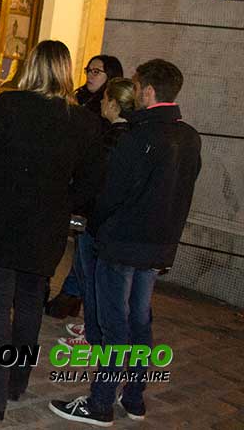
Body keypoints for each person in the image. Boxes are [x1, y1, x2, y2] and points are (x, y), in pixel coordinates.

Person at [0, 40, 102, 422]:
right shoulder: (83, 121)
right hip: (45, 225)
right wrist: (64, 204)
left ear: (33, 66)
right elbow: (90, 182)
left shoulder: (13, 104)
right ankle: (16, 382)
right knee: (30, 304)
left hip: (2, 219)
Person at [50, 59, 202, 427]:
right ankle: (133, 397)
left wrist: (97, 227)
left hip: (122, 245)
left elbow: (112, 193)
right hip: (157, 247)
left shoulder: (141, 136)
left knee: (113, 325)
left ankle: (100, 402)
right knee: (139, 322)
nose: (133, 93)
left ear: (148, 92)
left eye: (136, 87)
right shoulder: (188, 136)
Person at [56, 78, 135, 350]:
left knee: (91, 278)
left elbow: (98, 181)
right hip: (104, 221)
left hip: (96, 220)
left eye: (104, 99)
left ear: (113, 104)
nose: (101, 102)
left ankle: (95, 335)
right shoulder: (128, 136)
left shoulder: (114, 138)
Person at [46, 53, 125, 319]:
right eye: (89, 70)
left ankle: (71, 294)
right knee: (67, 241)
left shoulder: (108, 111)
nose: (90, 75)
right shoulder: (78, 98)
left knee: (83, 245)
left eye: (97, 71)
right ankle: (63, 293)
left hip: (85, 188)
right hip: (64, 178)